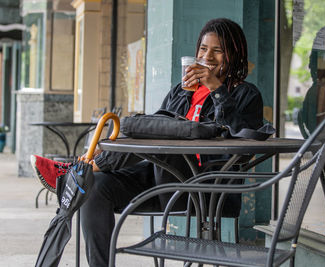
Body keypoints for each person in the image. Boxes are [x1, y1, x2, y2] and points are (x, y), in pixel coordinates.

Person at [31, 18, 264, 267]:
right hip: (162, 182)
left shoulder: (246, 94)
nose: (208, 56)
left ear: (234, 54)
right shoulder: (181, 91)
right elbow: (155, 125)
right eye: (203, 49)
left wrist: (217, 89)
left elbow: (242, 136)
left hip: (206, 188)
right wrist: (184, 95)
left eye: (218, 50)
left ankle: (79, 169)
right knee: (94, 186)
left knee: (163, 136)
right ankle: (89, 178)